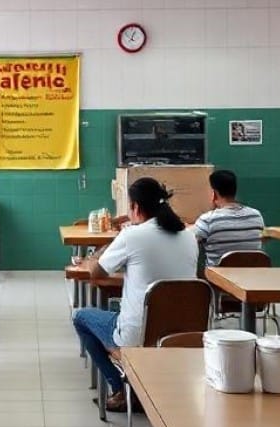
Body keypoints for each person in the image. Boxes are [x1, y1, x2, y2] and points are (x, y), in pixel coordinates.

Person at [72, 178, 199, 412]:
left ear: (136, 208)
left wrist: (93, 255)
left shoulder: (133, 235)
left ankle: (120, 389)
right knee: (115, 311)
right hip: (184, 335)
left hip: (139, 335)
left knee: (82, 317)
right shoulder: (188, 235)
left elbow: (96, 272)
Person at [192, 169, 265, 267]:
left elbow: (189, 240)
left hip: (218, 281)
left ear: (214, 193)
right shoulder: (256, 215)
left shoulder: (208, 220)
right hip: (251, 278)